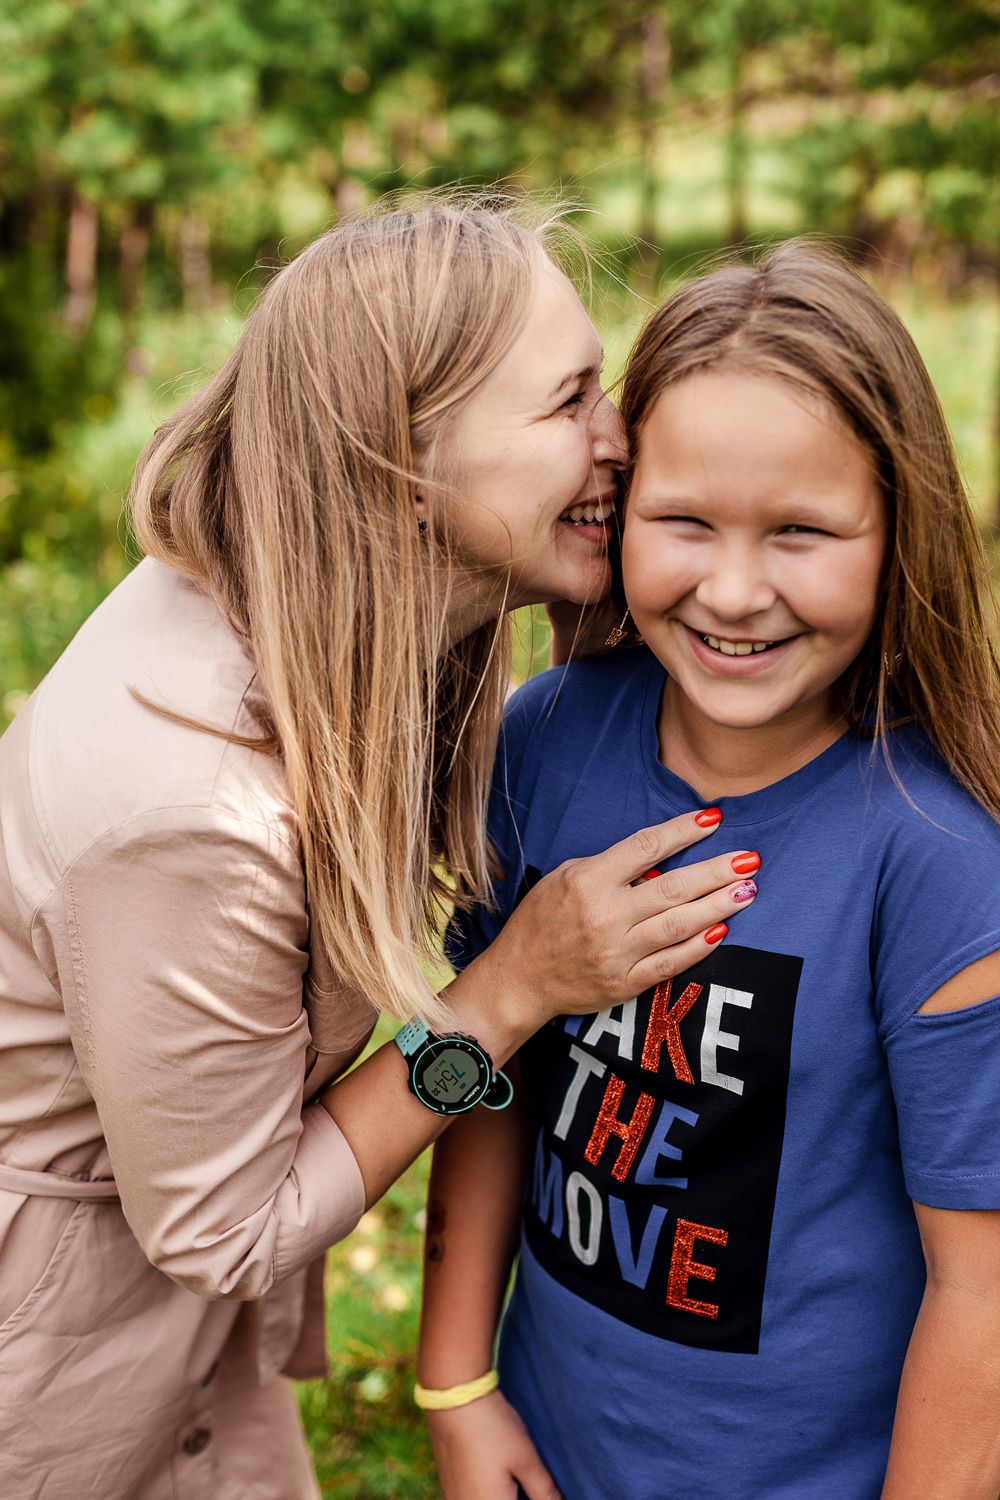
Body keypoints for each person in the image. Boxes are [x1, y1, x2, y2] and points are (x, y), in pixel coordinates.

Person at [0, 196, 758, 1500]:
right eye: (569, 400)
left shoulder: (335, 597)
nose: (620, 439)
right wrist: (512, 989)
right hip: (58, 1357)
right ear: (400, 469)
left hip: (168, 1322)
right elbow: (226, 1229)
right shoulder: (196, 812)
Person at [418, 241, 1000, 1500]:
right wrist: (456, 1384)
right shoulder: (546, 739)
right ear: (616, 511)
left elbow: (981, 1291)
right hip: (550, 1449)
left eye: (801, 531)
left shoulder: (941, 859)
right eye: (683, 523)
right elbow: (492, 1079)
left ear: (900, 529)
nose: (734, 593)